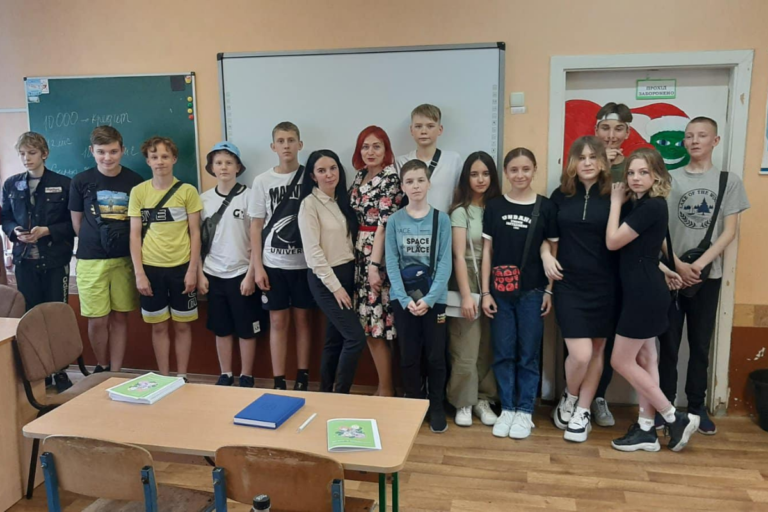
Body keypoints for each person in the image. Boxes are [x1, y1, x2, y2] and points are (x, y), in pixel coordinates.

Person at [659, 117, 750, 434]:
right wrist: (677, 266)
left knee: (699, 345)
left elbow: (729, 232)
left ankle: (697, 406)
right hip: (671, 276)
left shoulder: (728, 181)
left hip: (708, 277)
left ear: (715, 140)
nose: (694, 141)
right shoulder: (668, 180)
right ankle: (666, 407)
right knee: (668, 346)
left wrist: (698, 266)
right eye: (689, 136)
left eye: (701, 135)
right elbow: (658, 228)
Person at [606, 147, 698, 452]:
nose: (635, 178)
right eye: (631, 172)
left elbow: (613, 242)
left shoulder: (651, 206)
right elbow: (643, 252)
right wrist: (665, 268)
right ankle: (646, 429)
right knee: (647, 359)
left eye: (643, 172)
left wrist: (615, 203)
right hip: (644, 288)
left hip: (642, 294)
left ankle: (673, 416)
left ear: (657, 175)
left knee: (620, 360)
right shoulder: (644, 205)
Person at [481, 148, 558, 440]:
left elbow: (552, 249)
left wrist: (549, 290)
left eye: (526, 169)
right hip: (500, 293)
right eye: (514, 169)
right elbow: (488, 252)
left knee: (528, 354)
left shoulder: (546, 207)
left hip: (533, 291)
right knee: (503, 352)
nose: (520, 175)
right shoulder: (494, 206)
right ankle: (508, 408)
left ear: (534, 169)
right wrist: (485, 292)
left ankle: (525, 411)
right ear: (506, 172)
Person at [543, 136, 615, 442]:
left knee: (597, 350)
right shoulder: (560, 195)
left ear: (603, 162)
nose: (587, 163)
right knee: (581, 354)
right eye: (581, 157)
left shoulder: (615, 195)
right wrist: (546, 256)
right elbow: (546, 237)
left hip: (606, 285)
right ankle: (570, 396)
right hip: (569, 284)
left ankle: (582, 411)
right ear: (572, 162)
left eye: (593, 157)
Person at [2, 131, 75, 391]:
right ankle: (40, 371)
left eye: (31, 153)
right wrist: (14, 231)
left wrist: (48, 231)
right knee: (30, 318)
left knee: (56, 316)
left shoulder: (64, 184)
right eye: (22, 153)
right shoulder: (11, 184)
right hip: (24, 261)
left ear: (44, 154)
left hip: (54, 260)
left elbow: (74, 224)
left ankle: (61, 370)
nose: (26, 158)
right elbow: (5, 217)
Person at [69, 126, 143, 373]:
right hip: (90, 260)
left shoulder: (135, 181)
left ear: (123, 150)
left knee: (120, 316)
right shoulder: (80, 181)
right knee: (97, 318)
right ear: (92, 151)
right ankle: (102, 366)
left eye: (113, 151)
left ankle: (116, 371)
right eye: (101, 152)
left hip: (123, 259)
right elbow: (77, 223)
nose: (107, 157)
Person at [386, 159, 452, 433]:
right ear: (402, 186)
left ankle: (436, 405)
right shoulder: (394, 221)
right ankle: (414, 402)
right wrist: (405, 300)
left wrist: (430, 299)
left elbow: (445, 262)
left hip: (434, 300)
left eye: (420, 180)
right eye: (409, 181)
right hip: (404, 301)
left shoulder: (441, 219)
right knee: (409, 355)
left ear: (428, 183)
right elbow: (391, 262)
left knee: (436, 356)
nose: (415, 186)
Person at [128, 136, 202, 379]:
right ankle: (163, 377)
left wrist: (192, 270)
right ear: (147, 161)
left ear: (174, 159)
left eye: (165, 156)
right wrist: (139, 274)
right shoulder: (139, 192)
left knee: (182, 326)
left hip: (181, 268)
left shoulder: (188, 191)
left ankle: (182, 376)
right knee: (158, 327)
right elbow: (134, 235)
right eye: (154, 157)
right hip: (151, 269)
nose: (160, 161)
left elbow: (195, 233)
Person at [249, 122, 314, 391]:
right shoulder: (262, 181)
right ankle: (278, 381)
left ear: (300, 144)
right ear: (273, 146)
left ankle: (303, 377)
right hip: (273, 264)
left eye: (291, 140)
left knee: (303, 321)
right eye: (281, 141)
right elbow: (255, 225)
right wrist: (257, 267)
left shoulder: (311, 177)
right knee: (277, 321)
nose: (286, 145)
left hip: (305, 264)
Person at [198, 142, 264, 388]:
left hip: (242, 273)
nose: (224, 167)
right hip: (213, 273)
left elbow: (256, 238)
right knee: (222, 329)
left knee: (247, 329)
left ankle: (247, 375)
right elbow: (198, 241)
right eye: (218, 163)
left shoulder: (250, 196)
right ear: (211, 168)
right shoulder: (203, 200)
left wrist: (251, 274)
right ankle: (225, 373)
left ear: (238, 167)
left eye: (229, 162)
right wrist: (200, 273)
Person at [298, 149, 364, 394]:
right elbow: (313, 253)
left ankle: (326, 393)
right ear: (312, 176)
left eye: (333, 168)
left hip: (348, 275)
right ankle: (341, 395)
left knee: (334, 339)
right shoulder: (309, 204)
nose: (329, 174)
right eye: (321, 170)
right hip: (326, 279)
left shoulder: (342, 201)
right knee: (355, 338)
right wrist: (335, 287)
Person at [446, 151, 501, 427]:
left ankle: (483, 398)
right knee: (465, 344)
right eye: (474, 174)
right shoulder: (461, 211)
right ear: (466, 178)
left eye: (486, 174)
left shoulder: (498, 207)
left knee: (487, 345)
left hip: (494, 279)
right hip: (466, 276)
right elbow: (457, 255)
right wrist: (466, 295)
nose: (480, 179)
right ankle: (463, 401)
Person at [349, 125, 402, 396]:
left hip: (378, 256)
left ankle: (387, 390)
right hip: (360, 253)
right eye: (365, 146)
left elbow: (384, 225)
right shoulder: (360, 175)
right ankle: (384, 387)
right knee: (369, 326)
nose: (370, 152)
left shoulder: (390, 178)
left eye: (376, 146)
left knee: (378, 325)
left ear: (386, 150)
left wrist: (373, 266)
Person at [590, 102, 634, 426]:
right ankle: (574, 396)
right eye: (605, 128)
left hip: (621, 267)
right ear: (596, 130)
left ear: (628, 132)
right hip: (585, 265)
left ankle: (599, 396)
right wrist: (600, 165)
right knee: (581, 338)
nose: (611, 135)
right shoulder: (584, 163)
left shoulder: (634, 169)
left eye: (618, 128)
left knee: (608, 337)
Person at [395, 104, 462, 212]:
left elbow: (461, 196)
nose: (424, 131)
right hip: (411, 221)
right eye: (418, 126)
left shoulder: (453, 160)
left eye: (430, 126)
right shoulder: (400, 162)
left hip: (444, 221)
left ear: (440, 129)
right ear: (411, 130)